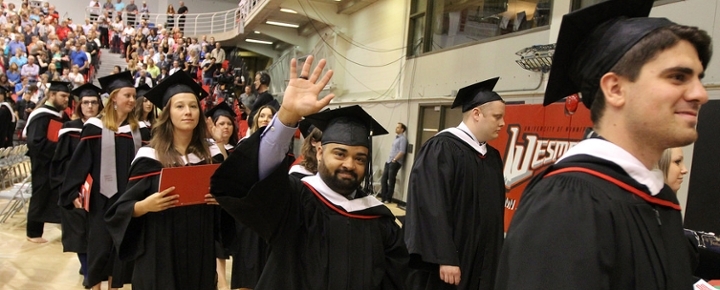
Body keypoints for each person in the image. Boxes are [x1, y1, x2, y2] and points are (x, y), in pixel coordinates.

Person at [495, 0, 713, 289]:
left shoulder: (659, 197)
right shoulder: (568, 203)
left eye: (699, 78)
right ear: (615, 89)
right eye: (678, 77)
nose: (701, 94)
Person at [210, 56, 408, 289]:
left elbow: (396, 279)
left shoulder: (379, 220)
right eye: (340, 154)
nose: (350, 164)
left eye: (360, 158)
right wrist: (287, 115)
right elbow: (252, 180)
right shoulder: (296, 201)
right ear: (320, 151)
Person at [105, 71, 222, 289]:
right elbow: (120, 210)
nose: (188, 112)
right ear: (167, 113)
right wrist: (144, 206)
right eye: (179, 106)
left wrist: (221, 201)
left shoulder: (211, 156)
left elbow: (227, 213)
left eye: (193, 106)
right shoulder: (150, 158)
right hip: (159, 253)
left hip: (200, 251)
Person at [404, 77, 506, 290]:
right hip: (452, 263)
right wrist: (445, 256)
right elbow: (431, 205)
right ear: (477, 114)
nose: (502, 123)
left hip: (483, 262)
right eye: (497, 117)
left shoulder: (492, 157)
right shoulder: (442, 149)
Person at [58, 71, 150, 290]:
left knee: (122, 250)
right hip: (101, 199)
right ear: (114, 98)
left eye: (133, 96)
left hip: (129, 200)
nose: (132, 100)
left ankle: (114, 287)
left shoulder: (141, 131)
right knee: (99, 247)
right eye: (127, 95)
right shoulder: (94, 128)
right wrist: (71, 192)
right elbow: (80, 163)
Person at [50, 83, 104, 281]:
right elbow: (60, 163)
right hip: (75, 190)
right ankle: (88, 271)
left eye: (94, 103)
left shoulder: (105, 129)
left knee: (96, 235)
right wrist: (71, 192)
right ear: (79, 105)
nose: (90, 106)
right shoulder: (69, 129)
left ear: (100, 106)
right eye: (86, 102)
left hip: (99, 191)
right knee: (79, 234)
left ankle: (91, 267)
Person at [23, 81, 72, 243]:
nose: (66, 100)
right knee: (40, 194)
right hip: (43, 162)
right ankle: (33, 232)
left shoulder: (58, 114)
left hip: (53, 162)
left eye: (67, 96)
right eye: (63, 96)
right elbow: (35, 142)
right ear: (52, 95)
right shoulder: (41, 115)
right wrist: (60, 149)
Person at [379, 122, 407, 204]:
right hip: (389, 161)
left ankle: (388, 198)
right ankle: (383, 197)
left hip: (395, 162)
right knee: (383, 179)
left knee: (391, 180)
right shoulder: (396, 138)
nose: (396, 129)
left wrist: (395, 159)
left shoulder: (403, 139)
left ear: (402, 129)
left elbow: (402, 151)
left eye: (398, 127)